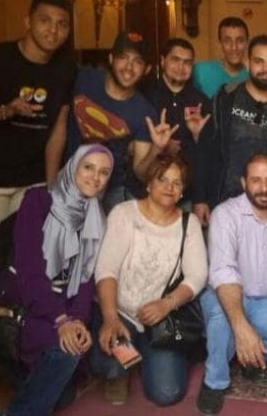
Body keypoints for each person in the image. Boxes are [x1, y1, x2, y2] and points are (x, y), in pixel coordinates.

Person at [0, 0, 76, 385]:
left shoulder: (64, 70)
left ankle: (12, 341)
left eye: (62, 24)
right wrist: (5, 111)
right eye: (45, 20)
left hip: (32, 180)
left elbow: (58, 130)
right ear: (27, 21)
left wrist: (50, 187)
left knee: (26, 261)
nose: (53, 30)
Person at [0, 145, 113, 415]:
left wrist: (78, 320)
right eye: (88, 167)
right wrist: (62, 320)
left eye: (104, 172)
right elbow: (29, 271)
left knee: (61, 390)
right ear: (73, 167)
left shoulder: (95, 215)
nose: (95, 177)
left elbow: (86, 279)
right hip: (28, 304)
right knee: (67, 352)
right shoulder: (39, 200)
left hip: (65, 306)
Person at [197, 153, 267, 415]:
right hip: (222, 295)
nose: (263, 188)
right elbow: (223, 273)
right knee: (222, 321)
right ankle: (214, 382)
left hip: (264, 299)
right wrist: (242, 328)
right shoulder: (225, 214)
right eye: (256, 180)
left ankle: (250, 356)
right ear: (244, 182)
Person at [91, 153, 207, 406]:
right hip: (119, 311)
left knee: (166, 393)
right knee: (111, 363)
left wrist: (167, 304)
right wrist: (110, 318)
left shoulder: (189, 223)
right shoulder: (124, 213)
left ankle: (146, 354)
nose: (169, 187)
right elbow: (106, 269)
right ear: (148, 184)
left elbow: (197, 275)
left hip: (160, 316)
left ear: (182, 191)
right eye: (162, 179)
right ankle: (121, 367)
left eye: (176, 183)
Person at [196, 34, 267, 216]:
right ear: (248, 63)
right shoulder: (225, 97)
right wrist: (200, 198)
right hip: (225, 206)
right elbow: (205, 149)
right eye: (259, 61)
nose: (266, 69)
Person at [67, 30, 177, 211]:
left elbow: (141, 173)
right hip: (68, 179)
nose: (129, 67)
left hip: (110, 191)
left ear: (147, 69)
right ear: (111, 59)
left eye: (138, 61)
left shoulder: (145, 112)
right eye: (123, 58)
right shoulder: (84, 78)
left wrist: (157, 148)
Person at [139, 38, 211, 209]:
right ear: (163, 61)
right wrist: (161, 147)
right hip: (145, 190)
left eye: (187, 62)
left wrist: (197, 137)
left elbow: (207, 156)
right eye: (175, 60)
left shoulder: (201, 101)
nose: (181, 67)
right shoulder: (144, 95)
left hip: (186, 193)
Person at [192, 16, 249, 98]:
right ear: (220, 44)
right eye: (227, 41)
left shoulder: (254, 75)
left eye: (240, 41)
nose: (234, 47)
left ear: (246, 43)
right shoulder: (200, 71)